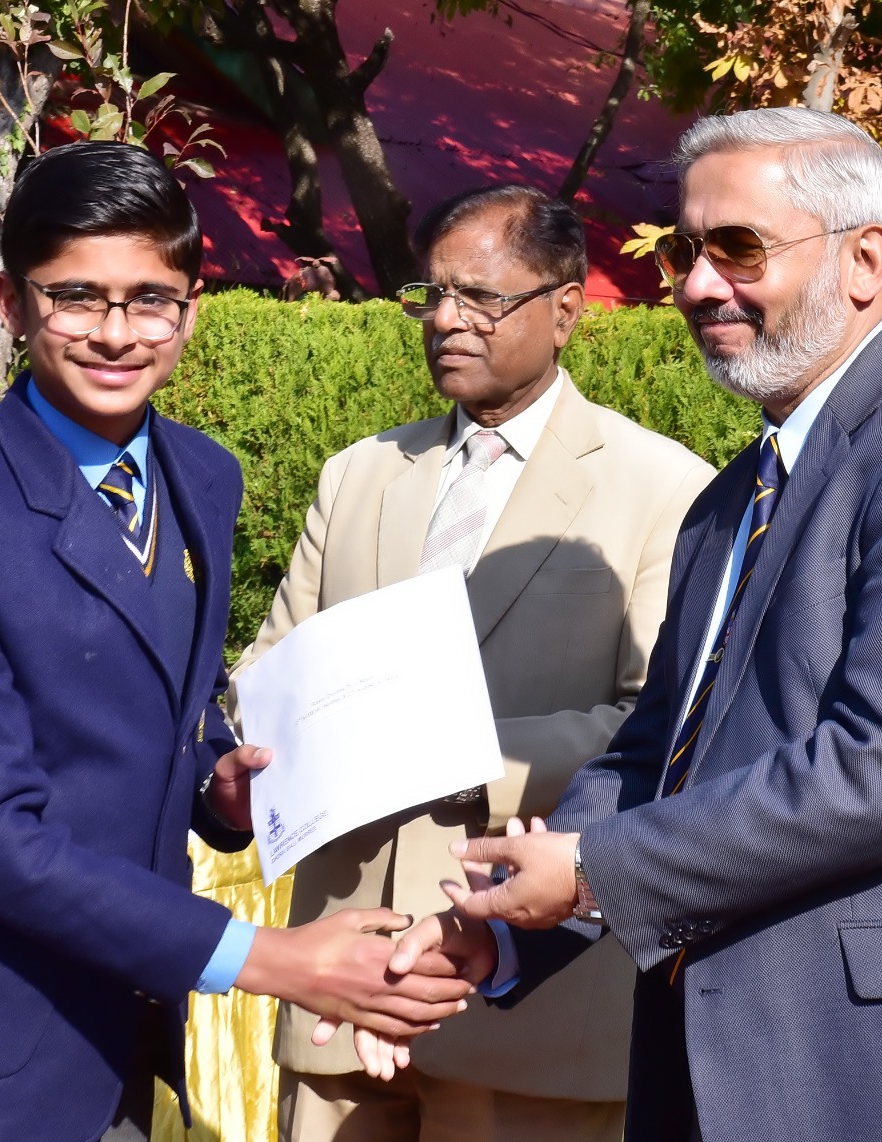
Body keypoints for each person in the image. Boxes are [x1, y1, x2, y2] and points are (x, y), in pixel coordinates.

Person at [396, 107, 882, 1142]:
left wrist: (593, 871)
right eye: (685, 252)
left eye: (739, 248)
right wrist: (518, 923)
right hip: (729, 1057)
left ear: (865, 261)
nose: (699, 286)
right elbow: (660, 754)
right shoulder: (730, 500)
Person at [0, 141, 472, 1142]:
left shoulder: (204, 474)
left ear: (192, 308)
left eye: (150, 299)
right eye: (76, 297)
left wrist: (217, 780)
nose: (115, 333)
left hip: (119, 1020)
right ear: (12, 303)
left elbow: (167, 698)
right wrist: (274, 958)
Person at [233, 184, 713, 1142]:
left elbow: (658, 728)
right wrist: (253, 744)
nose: (447, 319)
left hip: (529, 1004)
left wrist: (450, 753)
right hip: (341, 980)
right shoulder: (359, 473)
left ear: (566, 310)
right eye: (432, 294)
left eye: (482, 297)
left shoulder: (662, 487)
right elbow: (271, 672)